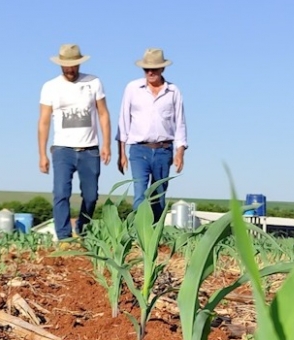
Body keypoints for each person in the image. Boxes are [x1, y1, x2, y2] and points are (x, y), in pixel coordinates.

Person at [38, 43, 111, 240]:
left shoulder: (93, 82)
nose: (70, 70)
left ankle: (82, 228)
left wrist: (106, 145)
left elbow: (103, 114)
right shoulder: (50, 87)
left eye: (74, 65)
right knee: (61, 193)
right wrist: (42, 154)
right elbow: (44, 122)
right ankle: (63, 236)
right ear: (60, 65)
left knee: (91, 196)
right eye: (66, 66)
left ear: (79, 63)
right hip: (62, 149)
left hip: (90, 149)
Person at [116, 48, 188, 223]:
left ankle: (156, 235)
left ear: (162, 69)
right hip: (139, 150)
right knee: (140, 192)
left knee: (159, 195)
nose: (150, 72)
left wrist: (180, 152)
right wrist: (121, 153)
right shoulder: (133, 88)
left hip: (164, 150)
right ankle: (138, 233)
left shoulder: (173, 91)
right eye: (146, 69)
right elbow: (123, 120)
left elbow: (180, 123)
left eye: (154, 69)